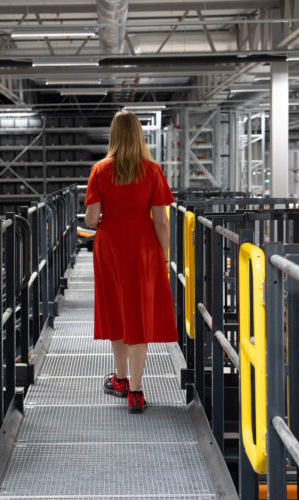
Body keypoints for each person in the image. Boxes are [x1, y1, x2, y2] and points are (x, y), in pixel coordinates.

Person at [84, 111, 178, 413]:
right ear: (139, 135)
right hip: (143, 248)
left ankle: (120, 379)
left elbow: (91, 219)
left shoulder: (99, 170)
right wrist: (164, 257)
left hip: (109, 248)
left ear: (114, 135)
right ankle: (136, 391)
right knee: (138, 313)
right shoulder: (152, 170)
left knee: (117, 311)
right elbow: (162, 221)